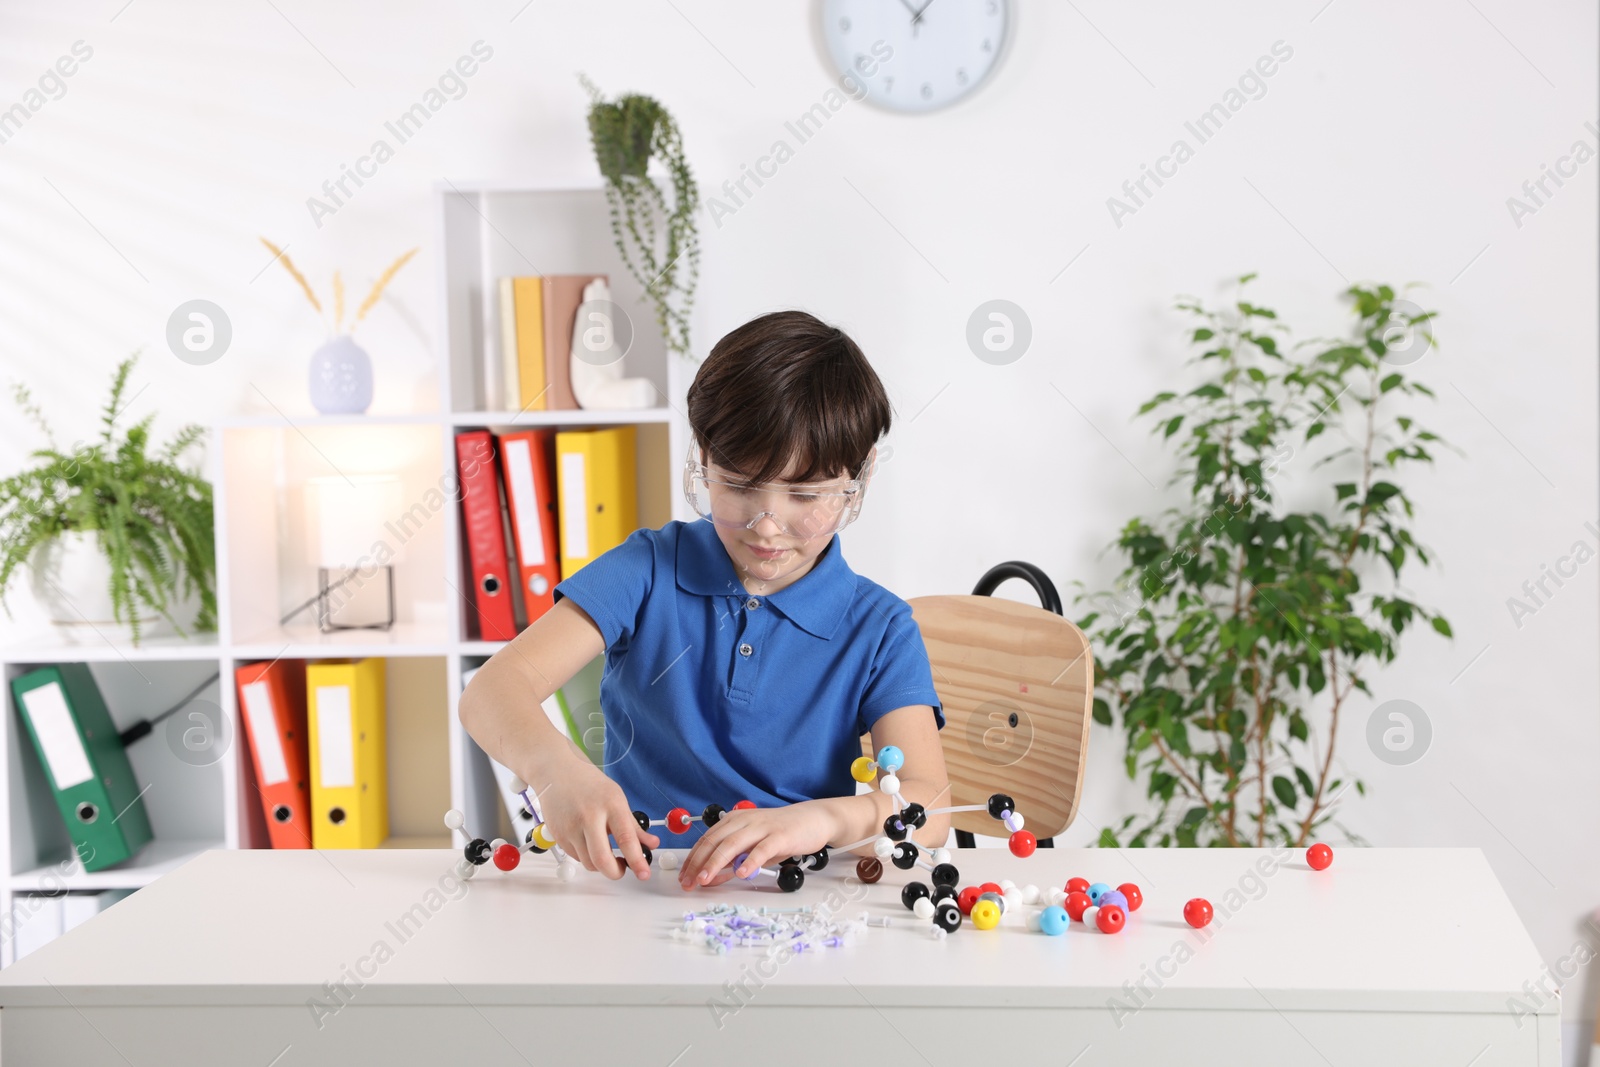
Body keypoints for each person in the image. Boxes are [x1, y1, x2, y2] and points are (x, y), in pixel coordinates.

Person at [459, 310, 948, 891]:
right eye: (739, 486)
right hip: (640, 886)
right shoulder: (647, 569)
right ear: (704, 462)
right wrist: (555, 770)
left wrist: (823, 818)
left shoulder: (881, 628)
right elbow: (492, 690)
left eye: (804, 494)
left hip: (796, 897)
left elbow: (931, 808)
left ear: (856, 482)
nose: (767, 526)